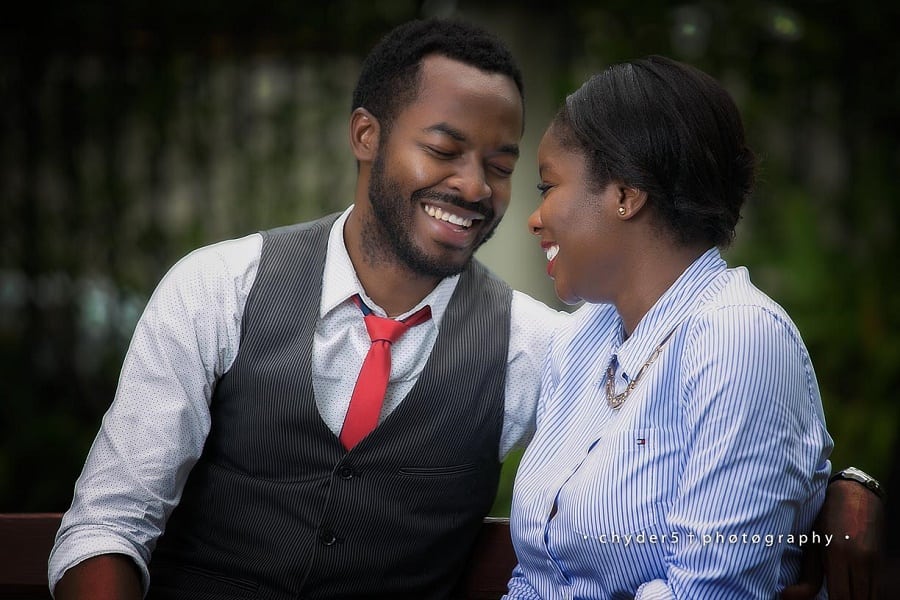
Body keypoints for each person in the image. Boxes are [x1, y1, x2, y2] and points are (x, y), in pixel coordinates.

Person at [48, 17, 881, 600]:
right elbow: (106, 527)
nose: (478, 189)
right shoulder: (216, 290)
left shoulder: (540, 346)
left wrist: (842, 490)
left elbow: (722, 433)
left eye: (509, 165)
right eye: (444, 149)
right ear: (366, 134)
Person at [504, 55, 841, 599]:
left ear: (625, 195)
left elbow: (710, 591)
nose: (534, 217)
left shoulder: (738, 341)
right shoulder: (585, 338)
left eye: (548, 187)